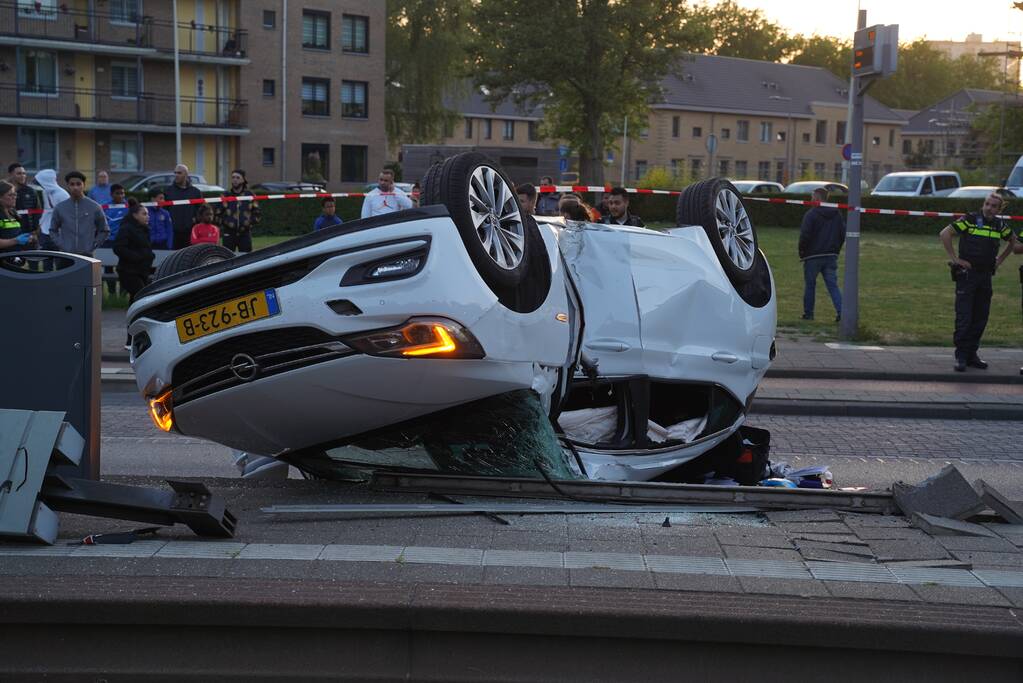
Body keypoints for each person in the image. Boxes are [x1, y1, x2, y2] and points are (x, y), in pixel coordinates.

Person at [940, 192, 1017, 372]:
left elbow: (1013, 240)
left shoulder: (999, 225)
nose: (989, 208)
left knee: (980, 317)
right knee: (964, 317)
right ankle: (961, 356)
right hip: (968, 275)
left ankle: (971, 355)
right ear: (983, 204)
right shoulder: (970, 219)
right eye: (987, 204)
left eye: (993, 206)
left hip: (985, 276)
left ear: (999, 209)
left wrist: (999, 261)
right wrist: (955, 258)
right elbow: (945, 234)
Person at [798, 187, 845, 323]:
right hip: (831, 255)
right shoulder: (837, 213)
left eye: (812, 197)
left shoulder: (811, 215)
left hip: (812, 256)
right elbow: (842, 233)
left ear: (817, 198)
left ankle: (809, 314)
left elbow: (805, 235)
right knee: (833, 285)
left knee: (810, 285)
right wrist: (836, 250)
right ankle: (841, 312)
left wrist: (802, 251)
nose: (811, 200)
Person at [112, 198, 154, 349]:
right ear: (135, 215)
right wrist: (136, 257)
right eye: (144, 214)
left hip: (142, 271)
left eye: (147, 214)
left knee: (136, 305)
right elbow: (118, 248)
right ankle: (134, 339)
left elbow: (146, 248)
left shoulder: (144, 229)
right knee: (141, 301)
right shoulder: (127, 228)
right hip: (129, 272)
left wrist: (149, 258)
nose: (147, 216)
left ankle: (132, 340)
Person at [50, 171, 109, 257]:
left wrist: (94, 245)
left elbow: (104, 230)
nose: (75, 187)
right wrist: (62, 245)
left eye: (78, 184)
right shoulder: (60, 208)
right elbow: (53, 230)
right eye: (72, 184)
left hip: (87, 255)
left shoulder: (95, 207)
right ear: (68, 186)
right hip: (65, 255)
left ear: (84, 185)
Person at [218, 169, 260, 253]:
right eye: (233, 177)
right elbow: (218, 212)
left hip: (245, 233)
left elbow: (257, 213)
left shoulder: (250, 195)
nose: (235, 180)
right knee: (227, 258)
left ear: (243, 180)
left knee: (246, 259)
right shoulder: (225, 195)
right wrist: (225, 223)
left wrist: (249, 223)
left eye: (237, 177)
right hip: (228, 233)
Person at [164, 164, 203, 249]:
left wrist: (195, 220)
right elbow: (165, 210)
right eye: (175, 173)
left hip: (189, 232)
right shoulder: (168, 191)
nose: (176, 175)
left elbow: (200, 210)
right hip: (173, 232)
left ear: (186, 174)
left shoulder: (195, 192)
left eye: (179, 173)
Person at [34, 168, 69, 250]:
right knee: (46, 258)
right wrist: (40, 225)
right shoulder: (46, 192)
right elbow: (46, 211)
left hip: (59, 233)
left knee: (59, 259)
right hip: (45, 231)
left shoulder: (62, 194)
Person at [0, 180, 35, 253]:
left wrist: (28, 239)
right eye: (10, 195)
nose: (14, 197)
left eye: (15, 194)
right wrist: (15, 241)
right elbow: (15, 240)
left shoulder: (13, 213)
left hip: (15, 259)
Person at [7, 163, 39, 236]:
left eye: (24, 173)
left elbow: (37, 212)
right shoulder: (3, 191)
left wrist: (36, 231)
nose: (23, 176)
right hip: (9, 233)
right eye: (19, 173)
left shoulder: (31, 191)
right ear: (11, 175)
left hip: (28, 234)